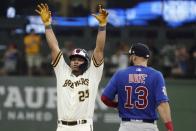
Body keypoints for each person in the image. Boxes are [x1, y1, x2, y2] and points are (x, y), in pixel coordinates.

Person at [35, 3, 108, 131]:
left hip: (83, 126)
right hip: (62, 126)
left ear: (86, 62)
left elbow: (99, 49)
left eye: (79, 59)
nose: (75, 61)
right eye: (73, 59)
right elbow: (54, 47)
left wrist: (102, 27)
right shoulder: (62, 71)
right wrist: (47, 25)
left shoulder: (93, 74)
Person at [101, 43, 174, 131]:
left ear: (134, 57)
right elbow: (162, 104)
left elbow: (105, 98)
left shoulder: (120, 74)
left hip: (127, 126)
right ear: (147, 58)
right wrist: (170, 127)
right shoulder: (156, 75)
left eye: (130, 56)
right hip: (148, 126)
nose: (129, 58)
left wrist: (117, 105)